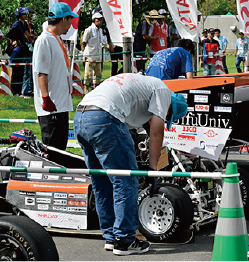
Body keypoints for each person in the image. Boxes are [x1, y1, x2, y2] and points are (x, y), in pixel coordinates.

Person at [73, 73, 188, 256]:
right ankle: (125, 240)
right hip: (105, 116)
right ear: (170, 107)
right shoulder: (163, 91)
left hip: (81, 116)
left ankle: (111, 237)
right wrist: (153, 170)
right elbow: (157, 133)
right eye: (168, 116)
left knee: (102, 182)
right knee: (126, 180)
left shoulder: (142, 85)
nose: (165, 118)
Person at [32, 2, 77, 150]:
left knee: (60, 150)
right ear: (64, 19)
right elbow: (41, 71)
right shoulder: (44, 40)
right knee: (52, 150)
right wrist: (45, 98)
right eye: (70, 20)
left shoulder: (57, 39)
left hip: (61, 105)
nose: (71, 25)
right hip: (51, 106)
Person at [6, 7, 33, 97]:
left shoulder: (22, 24)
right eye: (24, 14)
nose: (26, 15)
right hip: (18, 49)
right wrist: (15, 40)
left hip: (23, 49)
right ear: (20, 15)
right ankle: (15, 90)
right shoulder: (17, 24)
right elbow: (9, 34)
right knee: (16, 70)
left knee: (21, 70)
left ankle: (19, 90)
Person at [82, 12, 105, 92]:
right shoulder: (89, 30)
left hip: (98, 55)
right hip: (90, 55)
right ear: (93, 20)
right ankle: (86, 90)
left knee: (98, 74)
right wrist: (86, 52)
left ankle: (95, 89)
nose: (100, 21)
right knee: (88, 73)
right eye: (98, 19)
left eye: (101, 19)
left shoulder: (100, 30)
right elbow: (84, 42)